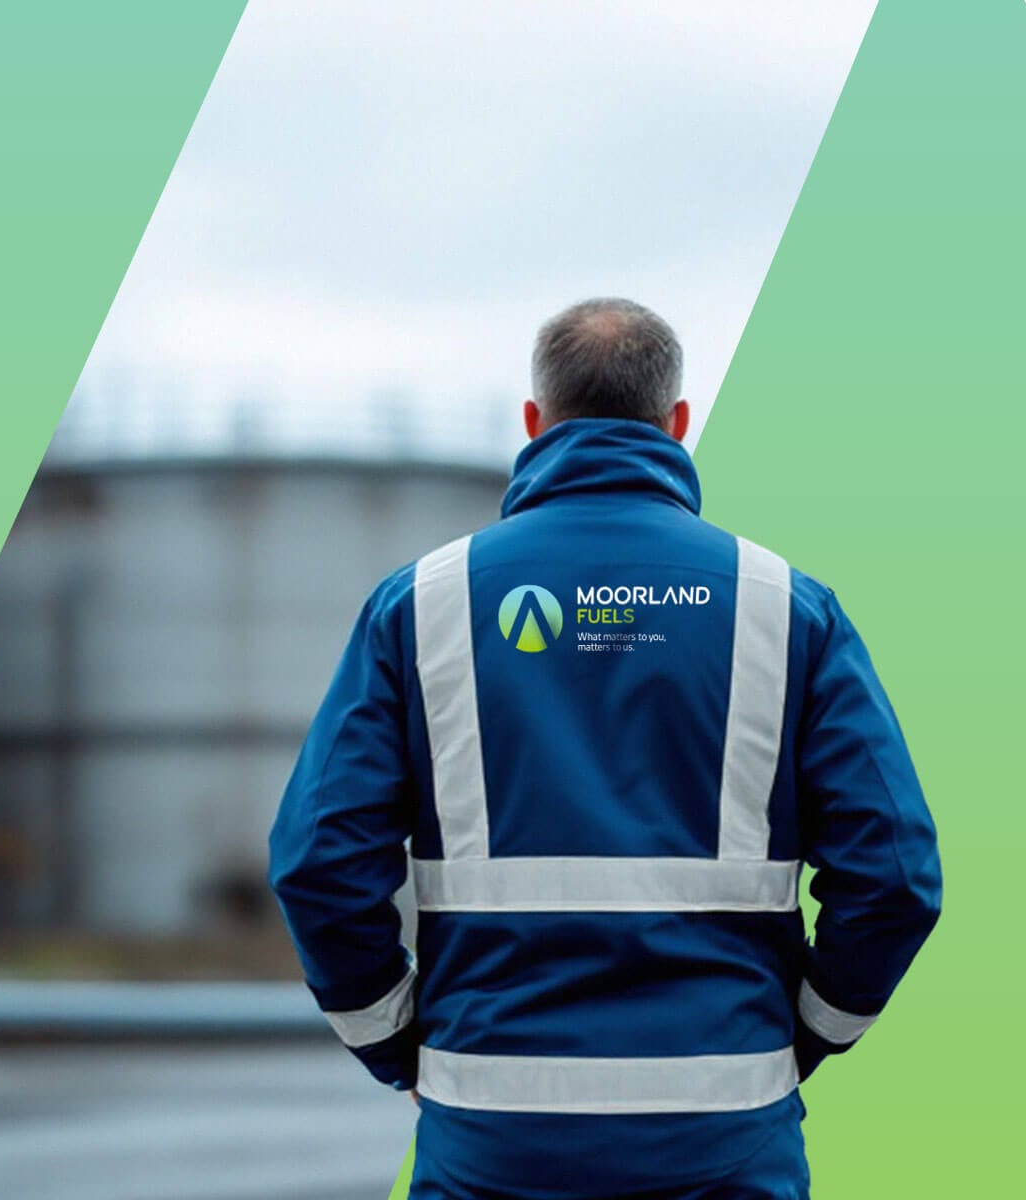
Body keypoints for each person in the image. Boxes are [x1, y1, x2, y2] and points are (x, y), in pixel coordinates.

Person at [269, 298, 942, 1200]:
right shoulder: (788, 609)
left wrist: (397, 1043)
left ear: (534, 422)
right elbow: (893, 876)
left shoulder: (420, 606)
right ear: (677, 424)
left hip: (492, 1148)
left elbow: (317, 863)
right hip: (726, 1143)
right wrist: (805, 1035)